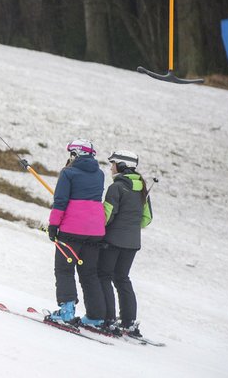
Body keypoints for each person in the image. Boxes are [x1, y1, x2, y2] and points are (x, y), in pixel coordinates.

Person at [46, 139, 107, 327]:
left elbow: (61, 201)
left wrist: (53, 225)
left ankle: (66, 311)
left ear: (75, 154)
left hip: (72, 229)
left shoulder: (68, 173)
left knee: (64, 269)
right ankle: (96, 316)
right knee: (89, 273)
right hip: (95, 230)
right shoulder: (100, 174)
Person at [97, 150, 153, 338]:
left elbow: (106, 216)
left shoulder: (117, 187)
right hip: (132, 243)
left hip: (112, 241)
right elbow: (146, 219)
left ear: (121, 165)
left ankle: (108, 319)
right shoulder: (143, 188)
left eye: (113, 164)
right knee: (122, 278)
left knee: (104, 276)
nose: (111, 167)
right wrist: (129, 226)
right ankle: (129, 322)